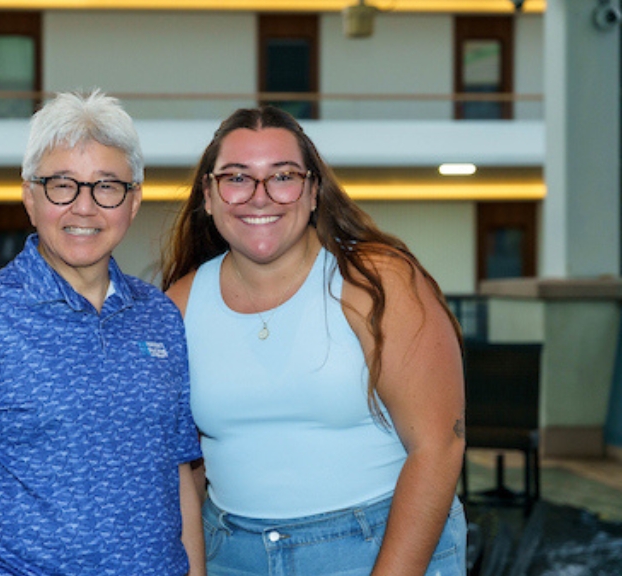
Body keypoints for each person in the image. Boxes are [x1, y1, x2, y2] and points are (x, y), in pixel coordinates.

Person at [0, 90, 204, 576]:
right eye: (62, 185)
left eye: (107, 186)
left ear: (134, 200)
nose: (84, 207)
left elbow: (180, 474)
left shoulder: (159, 317)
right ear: (29, 196)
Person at [161, 106, 466, 576]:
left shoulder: (376, 283)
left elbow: (438, 447)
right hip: (233, 556)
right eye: (237, 178)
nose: (260, 197)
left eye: (283, 176)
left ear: (313, 191)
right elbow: (186, 466)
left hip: (379, 547)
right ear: (208, 194)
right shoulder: (178, 306)